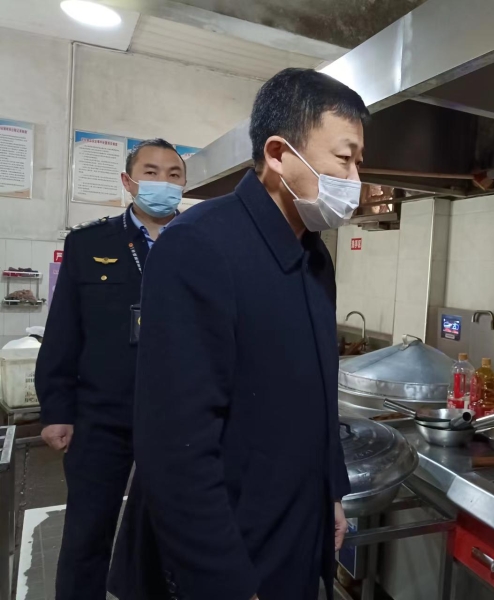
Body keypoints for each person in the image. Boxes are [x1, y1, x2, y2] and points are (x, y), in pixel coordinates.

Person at [108, 68, 367, 600]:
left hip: (294, 535)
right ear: (278, 154)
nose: (356, 178)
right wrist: (223, 581)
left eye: (359, 161)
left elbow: (318, 396)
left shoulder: (314, 258)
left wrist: (332, 494)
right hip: (228, 555)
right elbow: (174, 448)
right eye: (345, 158)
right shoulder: (199, 246)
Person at [35, 138, 186, 600]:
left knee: (174, 531)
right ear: (128, 181)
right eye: (151, 172)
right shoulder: (89, 243)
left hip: (178, 417)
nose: (163, 182)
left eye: (174, 174)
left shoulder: (201, 242)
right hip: (101, 417)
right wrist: (56, 409)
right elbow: (64, 331)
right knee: (87, 532)